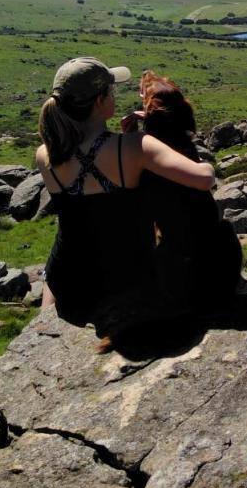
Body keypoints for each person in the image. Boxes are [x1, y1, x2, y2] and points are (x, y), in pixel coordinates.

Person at [35, 57, 215, 345]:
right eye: (111, 91)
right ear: (100, 100)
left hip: (68, 280)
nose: (115, 95)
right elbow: (204, 179)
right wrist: (196, 155)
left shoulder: (46, 154)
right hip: (126, 279)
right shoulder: (134, 148)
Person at [124, 69, 242, 310]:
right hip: (218, 267)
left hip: (180, 269)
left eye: (142, 95)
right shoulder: (184, 145)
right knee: (223, 229)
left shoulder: (147, 153)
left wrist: (133, 134)